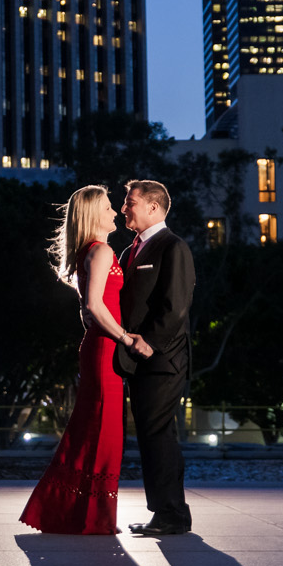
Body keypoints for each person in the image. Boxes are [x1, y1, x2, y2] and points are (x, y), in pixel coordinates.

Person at [19, 185, 147, 535]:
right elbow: (92, 306)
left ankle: (78, 514)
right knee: (103, 431)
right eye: (108, 207)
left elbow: (87, 311)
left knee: (92, 429)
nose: (115, 212)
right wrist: (126, 338)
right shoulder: (101, 251)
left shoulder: (86, 253)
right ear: (93, 215)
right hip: (105, 348)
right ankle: (92, 517)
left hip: (97, 346)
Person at [113, 178, 195, 536]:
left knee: (156, 433)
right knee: (152, 434)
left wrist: (149, 342)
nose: (123, 208)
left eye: (129, 202)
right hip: (137, 359)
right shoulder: (130, 251)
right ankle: (167, 512)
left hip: (162, 360)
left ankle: (172, 515)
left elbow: (176, 306)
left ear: (153, 206)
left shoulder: (172, 247)